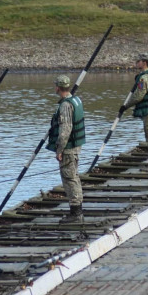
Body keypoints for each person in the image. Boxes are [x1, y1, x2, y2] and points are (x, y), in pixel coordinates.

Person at [45, 75, 86, 223]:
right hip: (75, 146)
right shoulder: (76, 99)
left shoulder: (65, 105)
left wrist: (59, 150)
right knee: (73, 177)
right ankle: (77, 210)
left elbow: (65, 130)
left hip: (68, 148)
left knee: (70, 178)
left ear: (58, 87)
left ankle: (76, 213)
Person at [120, 53, 148, 173]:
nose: (136, 63)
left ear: (144, 63)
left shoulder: (145, 78)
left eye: (138, 61)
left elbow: (138, 96)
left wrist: (126, 106)